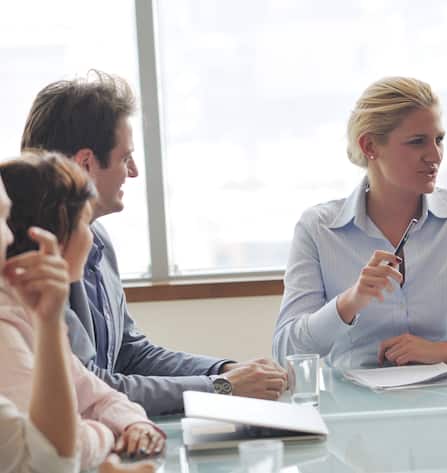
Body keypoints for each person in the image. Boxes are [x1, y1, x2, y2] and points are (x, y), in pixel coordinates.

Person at [20, 71, 287, 415]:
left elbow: (129, 353)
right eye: (124, 157)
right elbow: (93, 386)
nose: (133, 172)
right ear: (86, 163)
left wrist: (222, 371)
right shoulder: (33, 259)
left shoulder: (96, 237)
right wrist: (221, 389)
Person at [273, 76, 447, 369]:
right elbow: (286, 349)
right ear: (370, 145)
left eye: (439, 139)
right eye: (417, 142)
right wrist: (350, 302)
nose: (435, 156)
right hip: (353, 407)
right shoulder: (317, 228)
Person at [0, 151, 164, 470]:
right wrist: (108, 434)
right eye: (85, 222)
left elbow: (99, 394)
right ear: (54, 234)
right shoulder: (9, 320)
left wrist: (133, 424)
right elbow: (52, 455)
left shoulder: (34, 312)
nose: (7, 237)